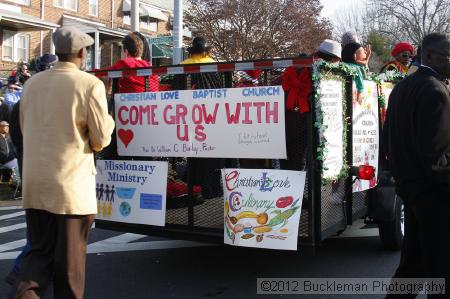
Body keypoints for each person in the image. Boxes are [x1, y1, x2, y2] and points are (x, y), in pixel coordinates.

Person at [8, 27, 115, 299]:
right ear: (82, 53)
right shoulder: (89, 84)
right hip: (70, 188)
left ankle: (24, 294)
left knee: (38, 254)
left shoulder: (31, 84)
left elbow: (22, 127)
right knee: (70, 269)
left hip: (35, 182)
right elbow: (101, 137)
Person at [383, 33, 450, 298]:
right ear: (431, 55)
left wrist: (405, 183)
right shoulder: (435, 90)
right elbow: (437, 159)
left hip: (412, 192)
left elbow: (389, 141)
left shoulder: (401, 87)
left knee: (414, 265)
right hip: (435, 197)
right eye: (448, 56)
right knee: (440, 270)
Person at [4, 53, 58, 286]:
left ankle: (25, 272)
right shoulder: (56, 101)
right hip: (52, 172)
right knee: (44, 232)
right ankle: (22, 275)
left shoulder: (22, 101)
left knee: (37, 228)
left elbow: (17, 138)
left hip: (31, 170)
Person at [280, 39, 341, 171]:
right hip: (305, 121)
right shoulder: (316, 70)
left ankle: (293, 187)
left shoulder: (298, 66)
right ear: (333, 59)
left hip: (288, 121)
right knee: (309, 161)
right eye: (337, 61)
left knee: (292, 160)